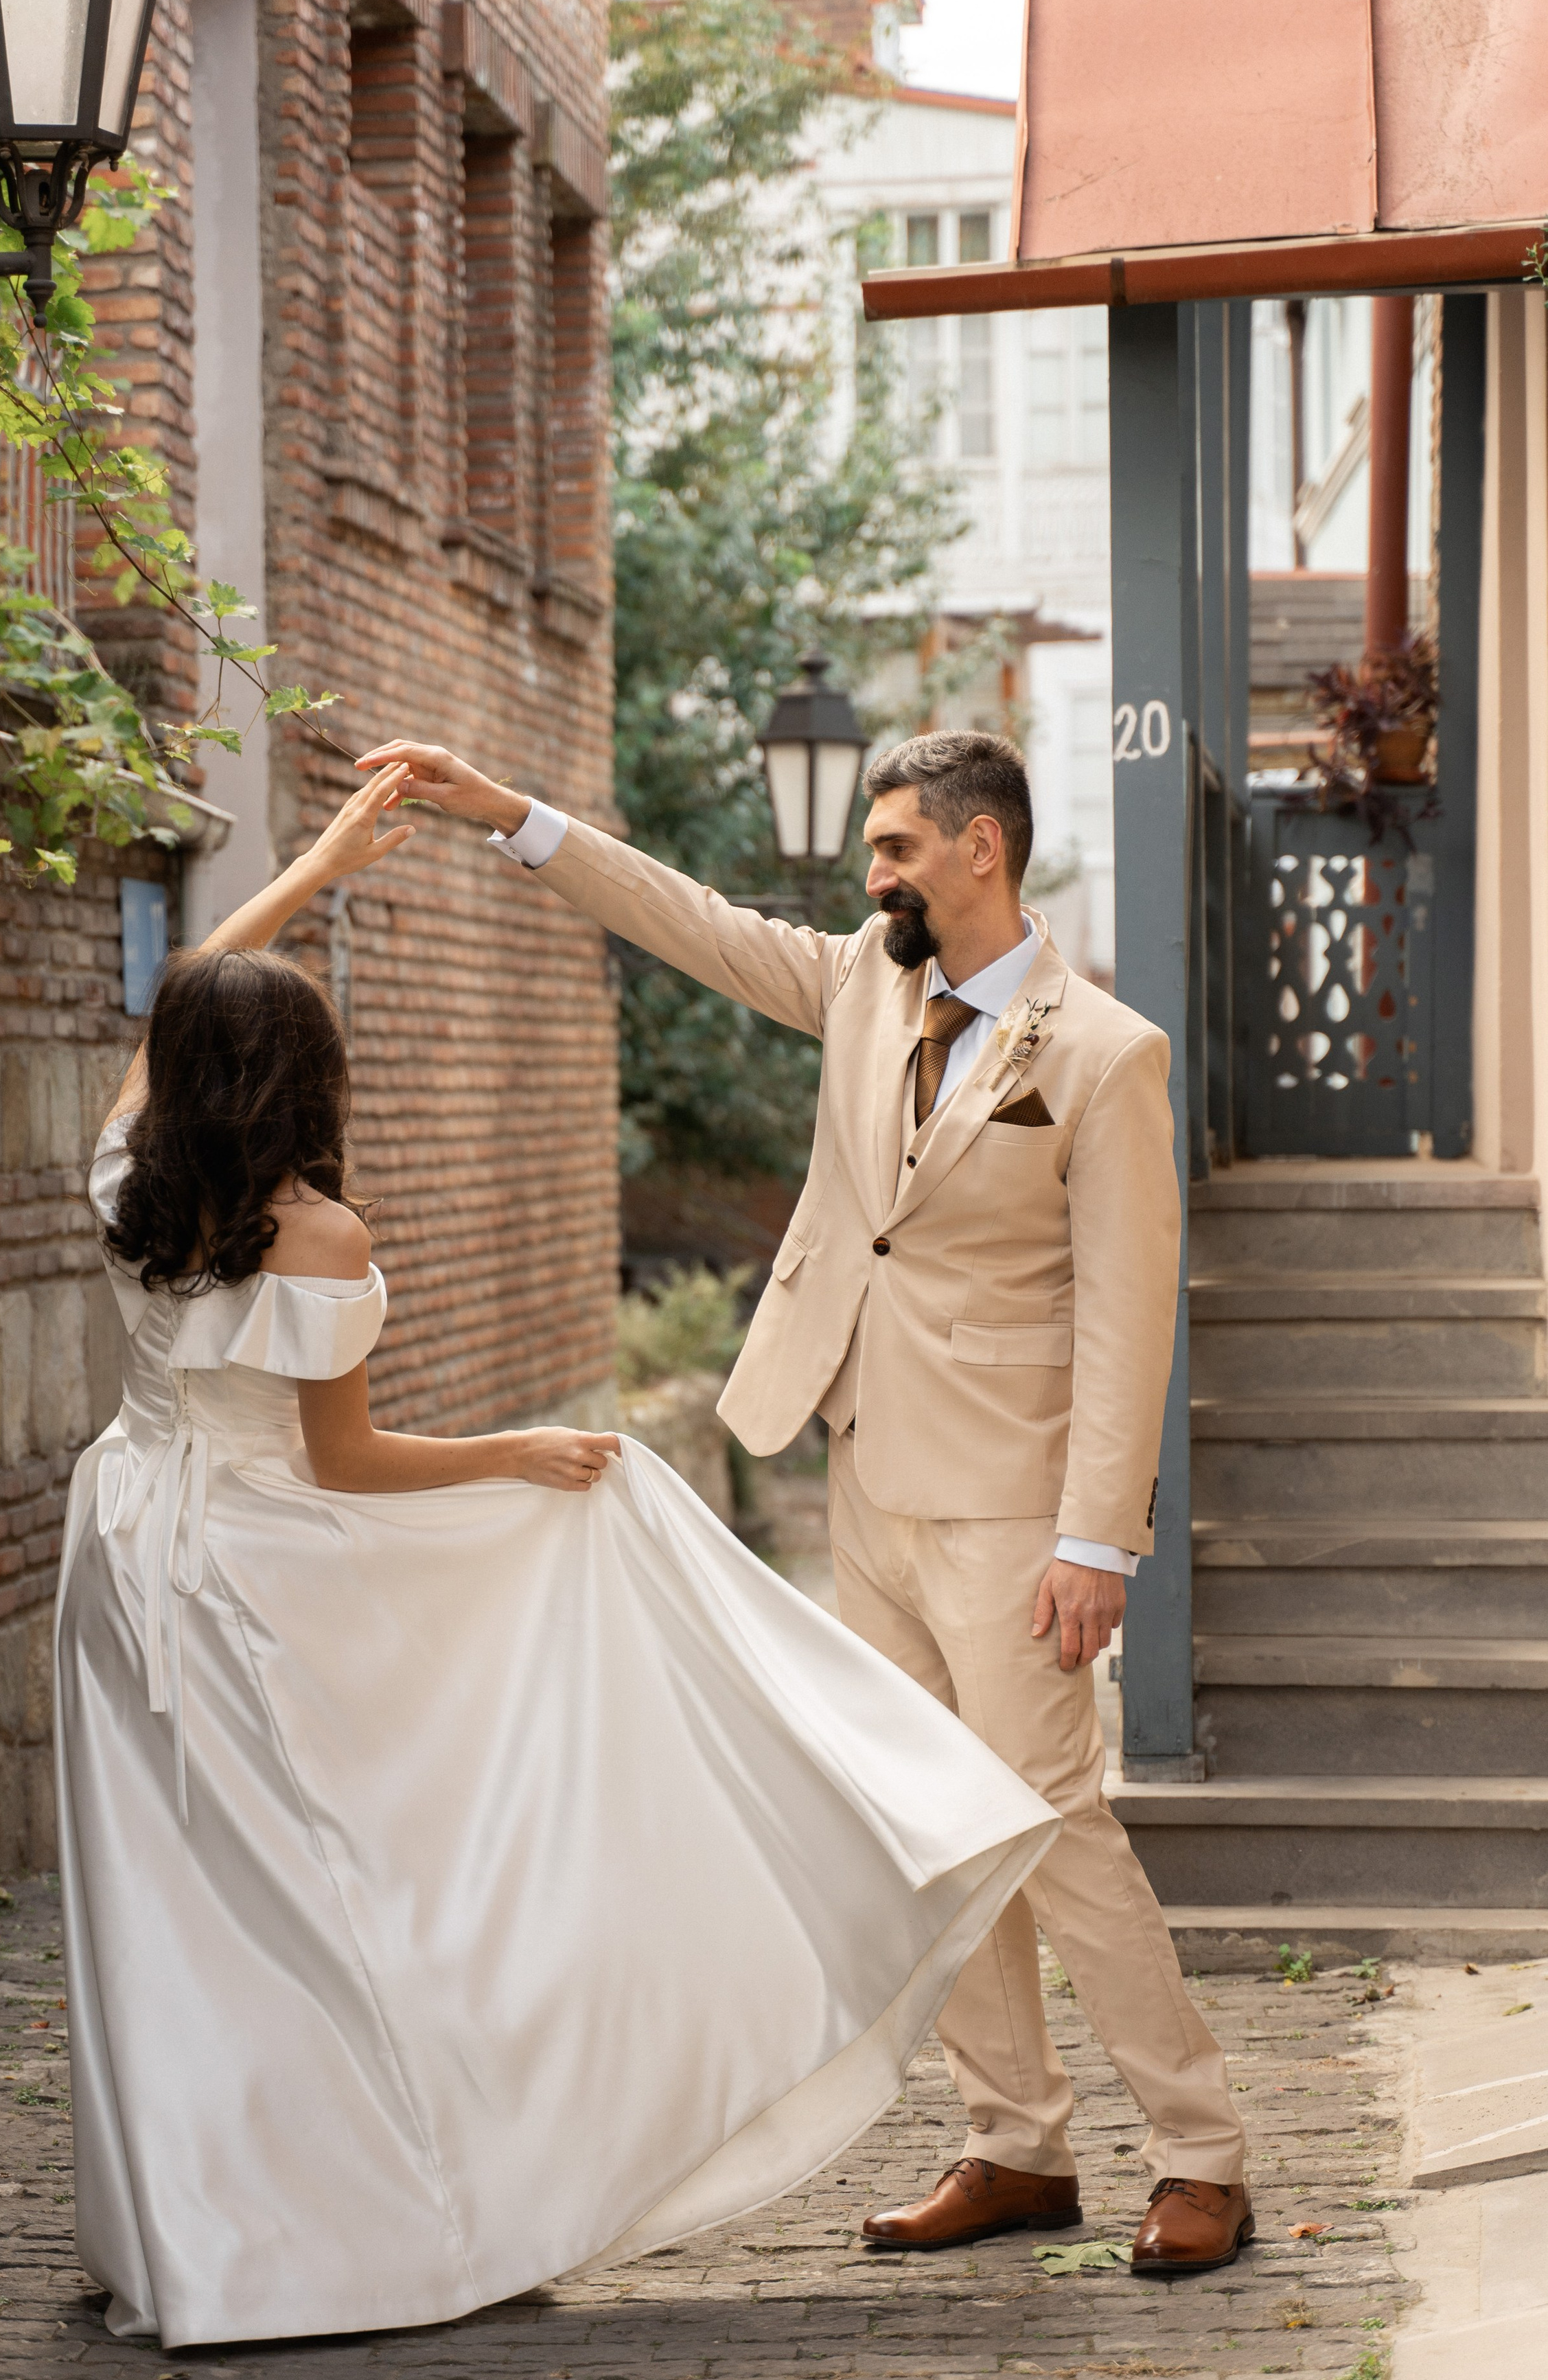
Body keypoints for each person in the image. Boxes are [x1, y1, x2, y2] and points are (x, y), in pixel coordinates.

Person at [54, 759, 1058, 2350]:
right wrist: (519, 1455)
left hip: (119, 1548)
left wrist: (312, 866)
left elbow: (173, 1016)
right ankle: (339, 2223)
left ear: (177, 1065)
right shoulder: (318, 1236)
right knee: (329, 1888)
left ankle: (177, 2227)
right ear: (304, 1079)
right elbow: (349, 1462)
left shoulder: (128, 1173)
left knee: (166, 1887)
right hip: (246, 1572)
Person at [379, 726, 1253, 2276]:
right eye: (874, 851)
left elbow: (1130, 1316)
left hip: (1010, 1511)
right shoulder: (863, 981)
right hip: (864, 1476)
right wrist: (508, 815)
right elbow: (694, 922)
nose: (875, 874)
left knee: (1049, 1827)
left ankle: (1198, 2156)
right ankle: (1012, 2143)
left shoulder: (1105, 1055)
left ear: (982, 849)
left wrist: (1091, 1536)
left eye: (900, 846)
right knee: (933, 1828)